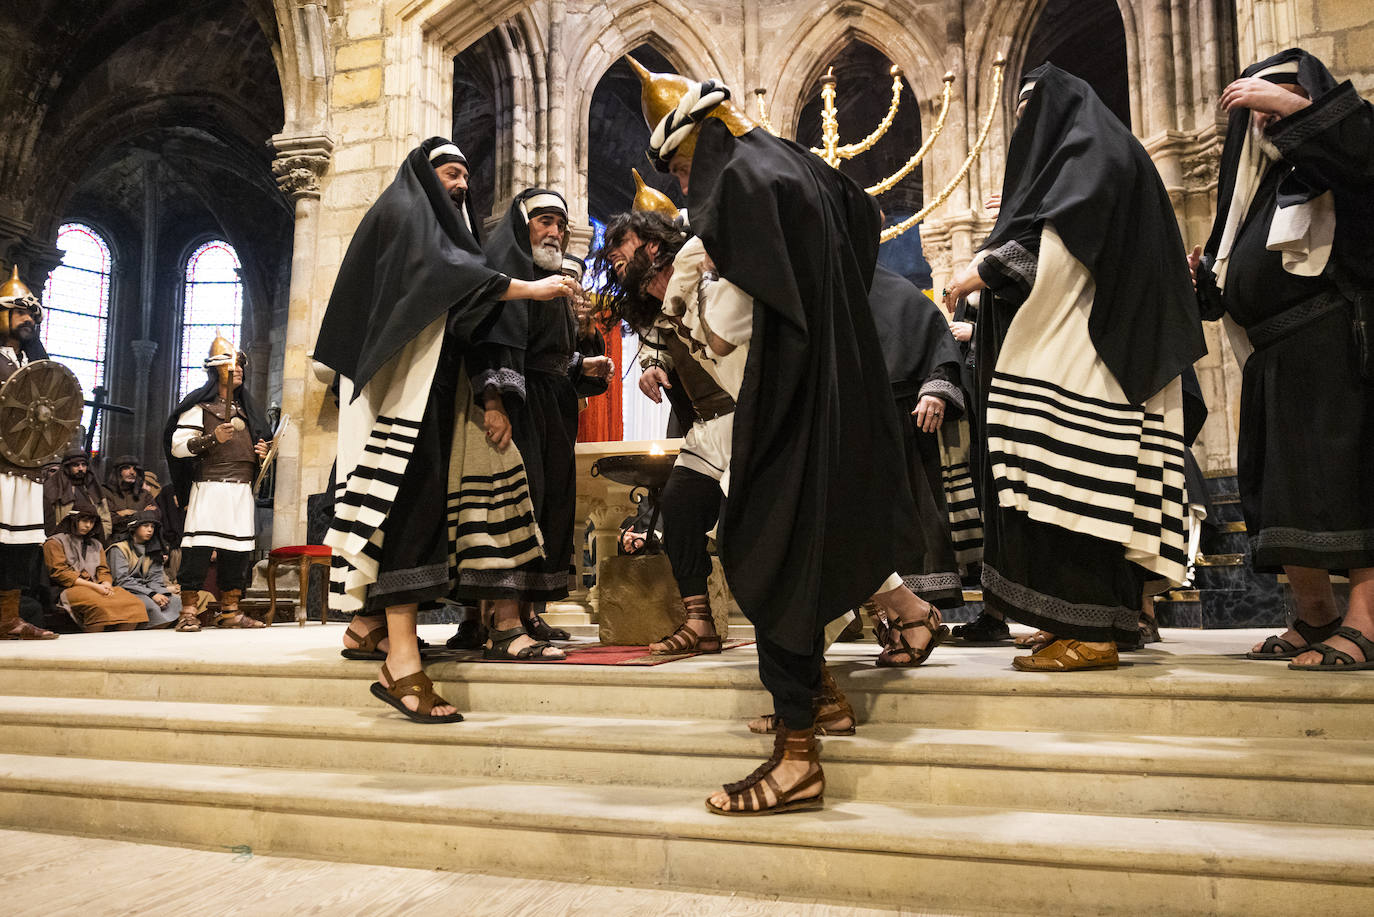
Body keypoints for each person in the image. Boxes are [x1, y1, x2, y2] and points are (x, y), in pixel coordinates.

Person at [627, 58, 941, 814]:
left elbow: (738, 320)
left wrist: (736, 333)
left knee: (768, 551)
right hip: (832, 384)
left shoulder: (738, 182)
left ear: (691, 141)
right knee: (797, 550)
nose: (678, 183)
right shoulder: (793, 164)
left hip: (785, 399)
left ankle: (798, 756)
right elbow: (862, 228)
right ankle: (821, 701)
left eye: (675, 165)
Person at [942, 64, 1205, 672]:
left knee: (1071, 490)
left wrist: (975, 272)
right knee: (1068, 492)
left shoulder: (1091, 153)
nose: (1024, 126)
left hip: (1087, 359)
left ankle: (1090, 632)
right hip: (1090, 355)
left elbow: (1053, 250)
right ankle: (1078, 618)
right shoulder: (1100, 153)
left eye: (1030, 111)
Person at [315, 137, 580, 723]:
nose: (460, 184)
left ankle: (376, 636)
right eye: (450, 173)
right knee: (406, 516)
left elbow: (460, 303)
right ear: (423, 174)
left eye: (464, 175)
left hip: (429, 393)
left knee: (416, 519)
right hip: (398, 397)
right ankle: (402, 663)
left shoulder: (438, 230)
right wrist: (531, 289)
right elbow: (444, 277)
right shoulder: (404, 213)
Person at [1189, 48, 1374, 670]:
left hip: (1335, 340)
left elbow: (1361, 154)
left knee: (1346, 484)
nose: (1264, 111)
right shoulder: (1257, 189)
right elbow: (1229, 282)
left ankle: (1367, 620)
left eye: (1284, 93)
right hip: (1270, 354)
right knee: (1281, 493)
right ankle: (1315, 615)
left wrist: (1296, 109)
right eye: (1257, 100)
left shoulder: (1344, 145)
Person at [467, 188, 612, 648]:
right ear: (523, 223)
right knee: (515, 506)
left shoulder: (553, 282)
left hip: (554, 405)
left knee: (549, 505)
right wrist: (494, 402)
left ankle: (528, 613)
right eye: (545, 221)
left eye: (561, 225)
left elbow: (552, 353)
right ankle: (501, 621)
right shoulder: (508, 277)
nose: (554, 232)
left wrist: (582, 365)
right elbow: (491, 341)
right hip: (518, 403)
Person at [164, 337, 271, 629]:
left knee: (237, 552)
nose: (238, 370)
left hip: (240, 489)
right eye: (231, 365)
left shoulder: (248, 411)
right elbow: (178, 446)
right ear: (216, 371)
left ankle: (230, 611)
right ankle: (188, 612)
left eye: (240, 365)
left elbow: (258, 445)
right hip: (209, 487)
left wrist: (261, 453)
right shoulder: (199, 407)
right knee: (198, 549)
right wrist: (213, 439)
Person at [0, 266, 58, 639]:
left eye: (32, 315)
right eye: (20, 312)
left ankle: (8, 619)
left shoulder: (36, 366)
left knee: (20, 546)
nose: (28, 320)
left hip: (26, 469)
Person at [44, 502, 147, 632]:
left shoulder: (96, 544)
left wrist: (106, 584)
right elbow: (60, 574)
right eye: (84, 521)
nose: (88, 525)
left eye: (92, 522)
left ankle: (119, 645)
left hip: (98, 586)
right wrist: (96, 587)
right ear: (74, 520)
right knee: (100, 606)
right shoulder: (54, 542)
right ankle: (93, 646)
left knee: (135, 604)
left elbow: (103, 569)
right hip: (68, 588)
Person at [106, 509, 184, 629]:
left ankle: (156, 634)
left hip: (146, 590)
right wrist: (152, 594)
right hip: (125, 590)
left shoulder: (153, 549)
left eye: (152, 527)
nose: (150, 530)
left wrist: (162, 593)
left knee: (175, 601)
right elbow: (121, 580)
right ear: (134, 528)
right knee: (150, 605)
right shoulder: (119, 549)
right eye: (145, 526)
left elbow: (155, 579)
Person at [43, 446, 109, 537]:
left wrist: (102, 536)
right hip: (64, 538)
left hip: (91, 539)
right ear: (67, 467)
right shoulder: (55, 487)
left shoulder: (93, 487)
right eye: (76, 465)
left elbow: (105, 517)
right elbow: (48, 518)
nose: (81, 468)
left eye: (83, 465)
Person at [104, 454, 157, 539]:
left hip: (139, 541)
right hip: (114, 540)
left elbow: (156, 514)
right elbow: (108, 518)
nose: (132, 472)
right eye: (127, 468)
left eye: (135, 469)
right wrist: (142, 513)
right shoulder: (106, 492)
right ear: (118, 471)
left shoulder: (144, 494)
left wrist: (125, 513)